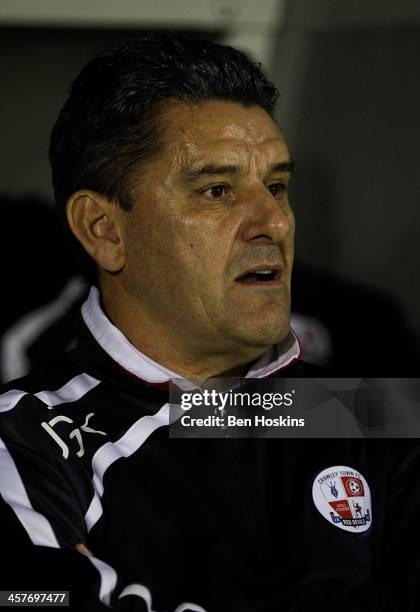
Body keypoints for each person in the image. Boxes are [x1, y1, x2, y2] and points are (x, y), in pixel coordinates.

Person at [0, 33, 419, 611]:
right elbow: (31, 597)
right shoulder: (21, 440)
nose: (272, 220)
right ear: (104, 229)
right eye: (217, 191)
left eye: (276, 186)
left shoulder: (371, 410)